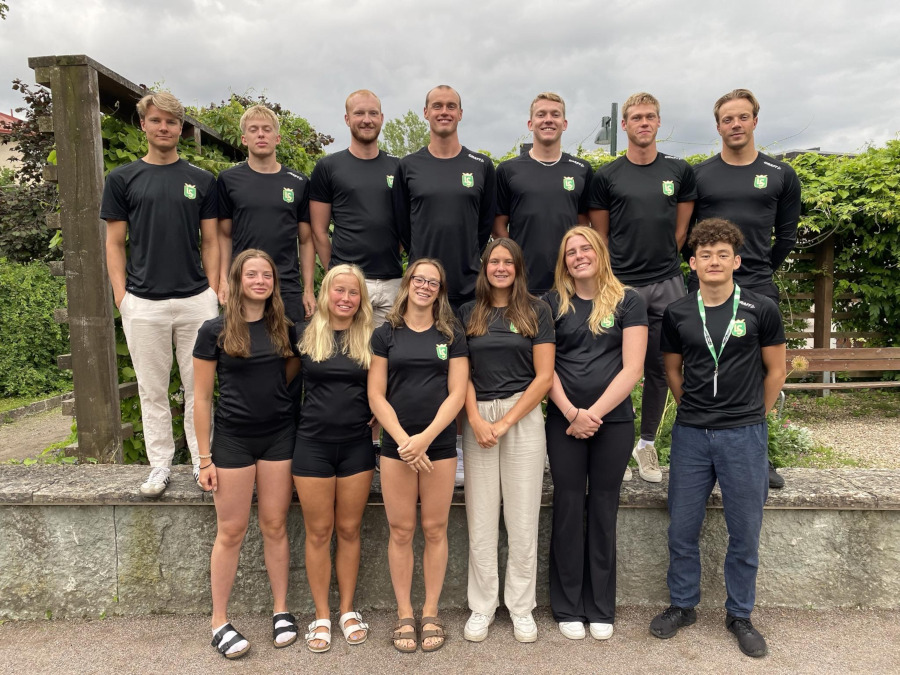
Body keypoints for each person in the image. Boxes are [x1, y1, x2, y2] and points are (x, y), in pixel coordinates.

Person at [650, 218, 786, 658]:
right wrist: (690, 407)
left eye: (722, 254)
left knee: (744, 531)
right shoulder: (678, 312)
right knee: (681, 528)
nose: (713, 261)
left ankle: (740, 614)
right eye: (705, 254)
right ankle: (683, 605)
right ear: (692, 263)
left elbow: (777, 371)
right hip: (691, 434)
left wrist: (753, 416)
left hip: (743, 435)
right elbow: (672, 369)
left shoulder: (761, 309)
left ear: (736, 261)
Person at [102, 91, 219, 497]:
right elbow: (114, 242)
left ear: (180, 128)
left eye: (171, 121)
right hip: (143, 302)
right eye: (156, 120)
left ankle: (201, 461)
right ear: (143, 125)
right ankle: (160, 466)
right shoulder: (122, 179)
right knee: (152, 390)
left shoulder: (202, 180)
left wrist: (213, 291)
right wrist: (122, 296)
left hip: (195, 300)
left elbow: (211, 241)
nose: (164, 127)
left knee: (199, 388)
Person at [689, 88, 801, 490]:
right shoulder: (699, 175)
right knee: (705, 363)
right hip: (706, 287)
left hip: (756, 284)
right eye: (727, 119)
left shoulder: (780, 174)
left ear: (755, 120)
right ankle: (701, 449)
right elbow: (686, 234)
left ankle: (758, 452)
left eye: (742, 117)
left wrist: (758, 269)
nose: (735, 125)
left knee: (759, 369)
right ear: (718, 126)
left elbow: (786, 236)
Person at [193, 249, 300, 660]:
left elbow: (288, 372)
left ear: (274, 282)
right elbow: (202, 399)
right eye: (251, 274)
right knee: (232, 530)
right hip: (233, 440)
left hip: (278, 438)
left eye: (266, 275)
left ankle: (281, 610)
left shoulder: (283, 329)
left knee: (275, 525)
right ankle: (219, 621)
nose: (260, 281)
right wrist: (205, 458)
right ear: (237, 281)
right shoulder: (214, 330)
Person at [543, 225, 648, 641]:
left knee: (604, 509)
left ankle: (601, 606)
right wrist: (572, 413)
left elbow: (633, 368)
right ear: (564, 261)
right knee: (568, 507)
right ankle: (568, 604)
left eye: (586, 248)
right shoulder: (550, 304)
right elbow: (544, 368)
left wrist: (593, 415)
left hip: (613, 422)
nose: (579, 256)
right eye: (571, 251)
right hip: (563, 420)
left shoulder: (628, 301)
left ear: (600, 253)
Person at [589, 92, 696, 484]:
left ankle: (646, 444)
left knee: (662, 368)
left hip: (667, 284)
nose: (644, 123)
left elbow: (681, 232)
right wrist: (615, 279)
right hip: (619, 286)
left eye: (650, 116)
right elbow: (601, 237)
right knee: (608, 366)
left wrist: (661, 263)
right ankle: (608, 444)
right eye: (636, 117)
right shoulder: (606, 177)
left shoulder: (679, 172)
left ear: (659, 122)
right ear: (625, 125)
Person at [368, 258, 469, 652]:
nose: (425, 286)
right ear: (407, 283)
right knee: (401, 530)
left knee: (435, 529)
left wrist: (424, 439)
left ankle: (430, 612)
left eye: (433, 282)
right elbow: (376, 394)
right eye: (419, 279)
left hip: (438, 446)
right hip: (397, 447)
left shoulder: (451, 335)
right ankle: (404, 613)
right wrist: (404, 441)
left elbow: (457, 393)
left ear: (440, 291)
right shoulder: (385, 334)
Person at [458, 238, 555, 643]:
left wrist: (505, 422)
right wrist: (476, 419)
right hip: (477, 415)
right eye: (494, 261)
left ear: (518, 268)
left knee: (522, 518)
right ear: (485, 267)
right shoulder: (467, 312)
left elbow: (544, 377)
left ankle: (521, 607)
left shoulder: (537, 310)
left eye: (507, 262)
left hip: (522, 414)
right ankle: (482, 607)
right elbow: (460, 373)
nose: (500, 268)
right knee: (480, 519)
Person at [292, 264, 376, 653]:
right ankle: (321, 615)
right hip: (312, 445)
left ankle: (346, 611)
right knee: (318, 532)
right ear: (325, 293)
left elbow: (388, 386)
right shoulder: (303, 333)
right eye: (338, 290)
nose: (345, 298)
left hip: (357, 446)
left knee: (349, 530)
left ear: (362, 299)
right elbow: (286, 385)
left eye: (353, 292)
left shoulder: (374, 338)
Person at [392, 85, 496, 310]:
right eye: (437, 106)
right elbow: (403, 226)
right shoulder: (408, 166)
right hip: (423, 287)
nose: (444, 112)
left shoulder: (482, 165)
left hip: (468, 287)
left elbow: (485, 224)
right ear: (426, 112)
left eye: (451, 106)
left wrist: (468, 255)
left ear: (460, 113)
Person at [309, 90, 402, 326]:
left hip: (392, 281)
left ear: (381, 118)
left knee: (387, 348)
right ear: (347, 118)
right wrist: (337, 273)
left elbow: (407, 224)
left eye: (373, 113)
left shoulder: (399, 167)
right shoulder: (328, 167)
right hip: (348, 285)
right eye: (359, 113)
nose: (367, 120)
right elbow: (319, 230)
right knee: (345, 347)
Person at [217, 104, 316, 324]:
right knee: (242, 344)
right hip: (244, 283)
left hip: (287, 285)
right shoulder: (228, 180)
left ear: (277, 138)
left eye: (267, 129)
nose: (261, 134)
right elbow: (224, 235)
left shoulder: (299, 182)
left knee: (291, 345)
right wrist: (224, 280)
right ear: (244, 139)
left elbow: (306, 240)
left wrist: (308, 289)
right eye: (253, 129)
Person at [494, 92, 593, 296]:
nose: (548, 119)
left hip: (569, 283)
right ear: (530, 124)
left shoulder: (581, 169)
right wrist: (515, 261)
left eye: (555, 114)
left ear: (564, 124)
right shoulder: (507, 170)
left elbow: (584, 225)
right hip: (523, 284)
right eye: (541, 114)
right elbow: (498, 226)